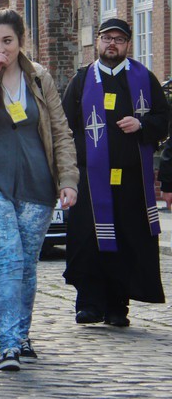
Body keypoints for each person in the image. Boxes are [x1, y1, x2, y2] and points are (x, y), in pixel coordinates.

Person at [0, 8, 78, 372]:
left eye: (7, 41)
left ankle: (22, 335)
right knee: (8, 257)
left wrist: (68, 179)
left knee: (26, 264)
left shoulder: (39, 78)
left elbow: (61, 131)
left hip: (36, 184)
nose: (0, 49)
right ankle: (8, 344)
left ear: (21, 41)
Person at [62, 18, 168, 328]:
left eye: (119, 39)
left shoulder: (143, 79)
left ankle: (118, 307)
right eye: (107, 38)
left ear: (127, 45)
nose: (112, 44)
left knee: (125, 241)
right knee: (87, 241)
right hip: (89, 182)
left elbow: (163, 119)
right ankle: (88, 305)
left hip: (130, 182)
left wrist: (142, 125)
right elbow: (64, 128)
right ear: (97, 42)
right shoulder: (81, 82)